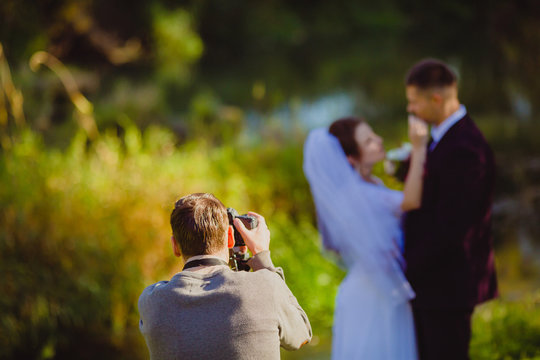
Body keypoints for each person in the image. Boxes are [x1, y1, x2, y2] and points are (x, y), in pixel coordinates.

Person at [303, 115, 428, 359]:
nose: (378, 141)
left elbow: (333, 245)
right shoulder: (358, 195)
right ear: (351, 158)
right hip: (375, 296)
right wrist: (420, 148)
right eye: (369, 140)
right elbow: (411, 201)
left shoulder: (368, 186)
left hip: (369, 284)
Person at [138, 193, 312, 360]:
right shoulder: (265, 286)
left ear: (175, 246)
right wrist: (262, 257)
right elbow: (301, 335)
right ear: (230, 238)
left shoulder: (152, 301)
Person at [403, 59, 498, 360]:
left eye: (414, 102)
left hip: (447, 284)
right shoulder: (446, 136)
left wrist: (406, 267)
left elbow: (453, 227)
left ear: (436, 99)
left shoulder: (466, 149)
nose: (411, 110)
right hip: (435, 281)